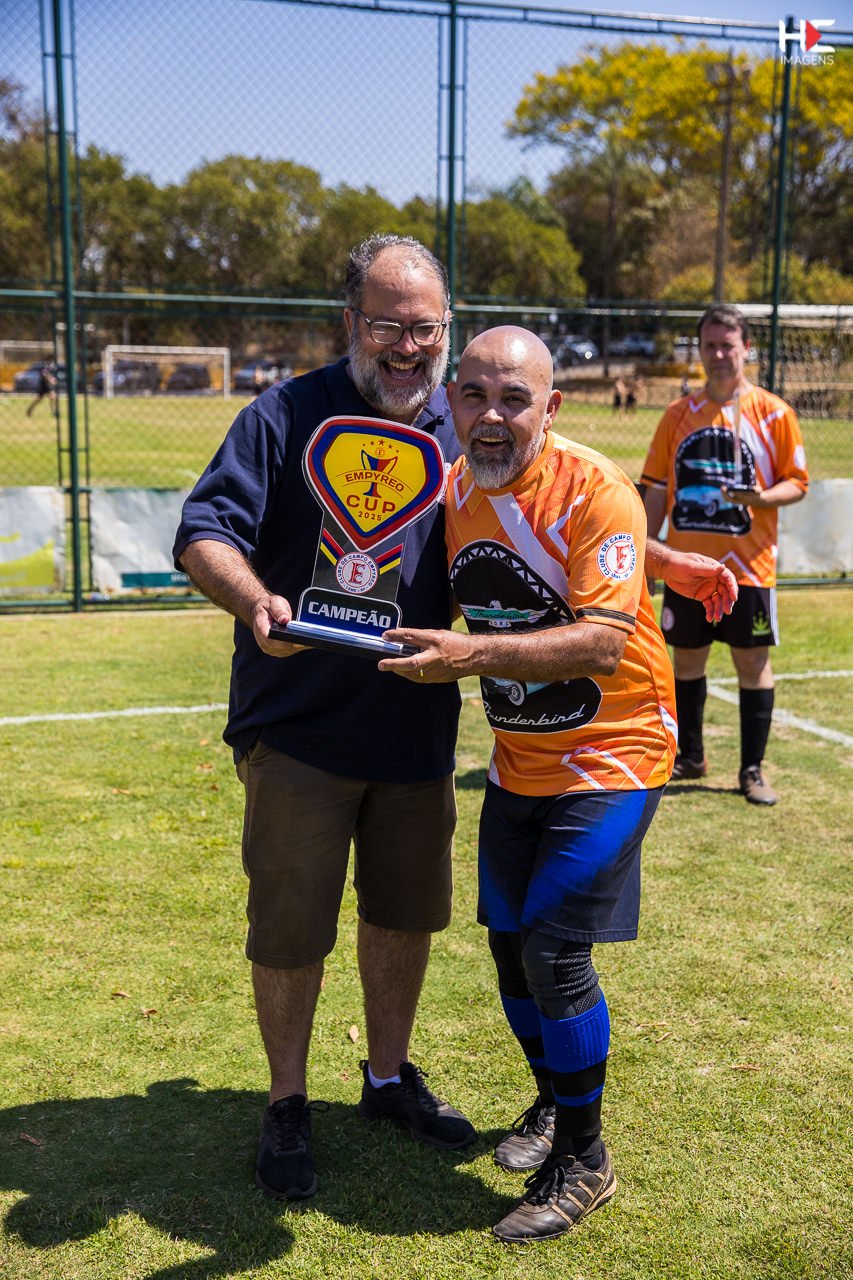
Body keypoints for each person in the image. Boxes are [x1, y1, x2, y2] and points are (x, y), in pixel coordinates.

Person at [173, 234, 476, 1202]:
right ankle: (287, 1101)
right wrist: (253, 601)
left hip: (414, 729)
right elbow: (203, 531)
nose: (407, 347)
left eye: (425, 328)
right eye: (386, 325)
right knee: (290, 928)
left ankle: (385, 1078)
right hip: (298, 728)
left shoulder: (464, 423)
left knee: (403, 914)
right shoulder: (284, 413)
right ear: (350, 322)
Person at [378, 326, 680, 1244]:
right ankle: (555, 1100)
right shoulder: (451, 489)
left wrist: (468, 655)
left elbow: (602, 641)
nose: (491, 416)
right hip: (521, 757)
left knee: (553, 950)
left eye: (514, 400)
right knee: (509, 947)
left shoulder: (594, 487)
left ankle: (585, 1160)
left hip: (615, 750)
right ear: (450, 402)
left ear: (550, 408)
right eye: (474, 395)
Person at [640, 303, 809, 806]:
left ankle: (751, 770)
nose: (718, 355)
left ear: (746, 349)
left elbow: (797, 483)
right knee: (686, 660)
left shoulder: (774, 414)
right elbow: (655, 489)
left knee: (752, 663)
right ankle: (690, 756)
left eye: (727, 346)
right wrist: (646, 555)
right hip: (688, 569)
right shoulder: (677, 415)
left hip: (750, 568)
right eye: (709, 345)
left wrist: (760, 498)